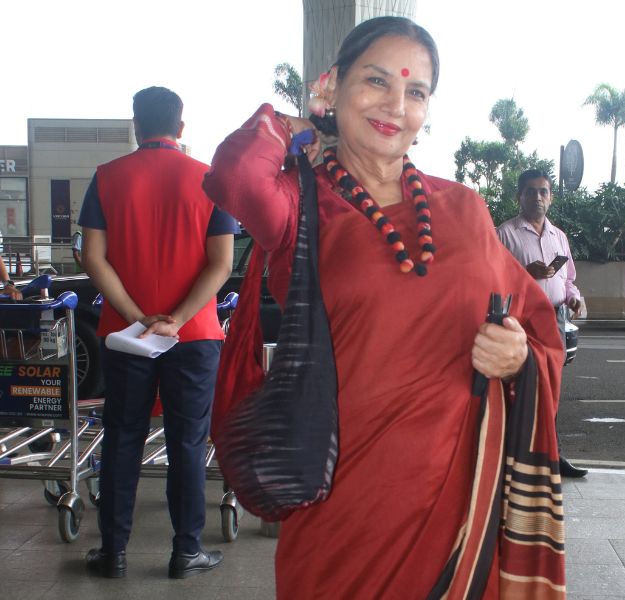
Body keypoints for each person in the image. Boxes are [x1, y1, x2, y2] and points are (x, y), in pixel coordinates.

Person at [204, 16, 566, 599]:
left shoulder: (465, 209)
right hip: (344, 511)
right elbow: (235, 175)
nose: (396, 105)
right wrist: (293, 122)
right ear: (332, 85)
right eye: (376, 81)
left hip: (458, 509)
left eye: (415, 92)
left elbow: (536, 327)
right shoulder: (300, 206)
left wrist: (519, 356)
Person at [79, 86, 237, 579]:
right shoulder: (210, 180)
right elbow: (221, 263)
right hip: (195, 336)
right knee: (187, 442)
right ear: (180, 127)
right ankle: (186, 552)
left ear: (136, 126)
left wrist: (138, 316)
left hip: (126, 337)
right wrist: (179, 318)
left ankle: (113, 553)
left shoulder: (107, 177)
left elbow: (93, 258)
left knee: (123, 437)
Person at [497, 169, 588, 478]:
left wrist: (574, 298)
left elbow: (568, 279)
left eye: (543, 192)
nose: (537, 197)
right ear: (519, 196)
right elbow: (493, 279)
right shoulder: (505, 234)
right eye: (531, 191)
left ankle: (553, 455)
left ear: (551, 198)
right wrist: (526, 272)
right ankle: (516, 456)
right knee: (520, 388)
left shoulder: (558, 236)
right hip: (522, 320)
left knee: (552, 390)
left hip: (556, 317)